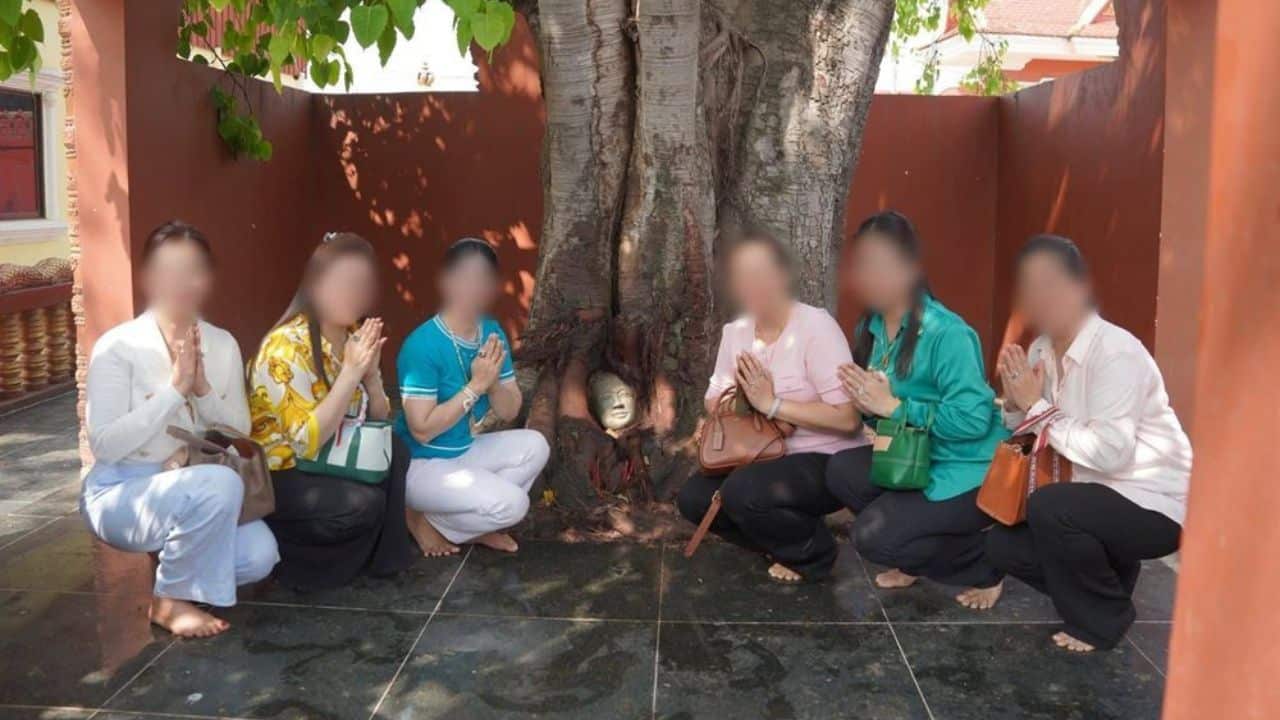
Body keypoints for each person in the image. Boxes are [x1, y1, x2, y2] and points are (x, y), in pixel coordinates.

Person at [988, 234, 1191, 652]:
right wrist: (1013, 401)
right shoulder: (1041, 347)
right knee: (999, 543)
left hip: (1153, 502)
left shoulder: (1115, 352)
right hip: (1092, 496)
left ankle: (1103, 620)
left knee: (1053, 507)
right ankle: (1110, 582)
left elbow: (1109, 453)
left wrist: (1035, 405)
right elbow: (1026, 422)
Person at [82, 221, 279, 638]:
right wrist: (174, 391)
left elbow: (240, 430)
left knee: (260, 556)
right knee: (220, 485)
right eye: (168, 270)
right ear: (149, 276)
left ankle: (178, 554)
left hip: (194, 480)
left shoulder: (221, 343)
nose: (182, 282)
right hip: (122, 490)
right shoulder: (119, 347)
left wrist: (203, 389)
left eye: (193, 270)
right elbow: (105, 444)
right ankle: (170, 598)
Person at [824, 211, 1008, 608]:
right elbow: (884, 413)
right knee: (840, 471)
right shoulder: (869, 328)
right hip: (914, 458)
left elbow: (974, 420)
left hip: (967, 469)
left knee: (871, 537)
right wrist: (867, 403)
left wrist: (894, 405)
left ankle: (985, 562)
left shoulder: (948, 333)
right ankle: (913, 549)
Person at [676, 231, 864, 583]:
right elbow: (714, 394)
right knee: (694, 499)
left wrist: (773, 403)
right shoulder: (736, 332)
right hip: (757, 455)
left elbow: (849, 418)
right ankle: (782, 541)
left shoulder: (814, 328)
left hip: (825, 459)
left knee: (743, 492)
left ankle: (814, 553)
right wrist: (735, 403)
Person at [248, 232, 414, 591]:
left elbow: (381, 420)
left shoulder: (352, 334)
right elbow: (305, 442)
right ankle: (301, 565)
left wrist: (370, 379)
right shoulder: (285, 348)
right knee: (361, 504)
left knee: (396, 450)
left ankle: (383, 560)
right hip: (284, 471)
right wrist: (350, 373)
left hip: (330, 456)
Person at [395, 238, 550, 555]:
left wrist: (492, 384)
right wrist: (475, 387)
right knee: (514, 504)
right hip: (420, 463)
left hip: (462, 451)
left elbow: (509, 411)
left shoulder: (491, 333)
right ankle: (416, 518)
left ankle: (463, 528)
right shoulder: (422, 345)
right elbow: (421, 429)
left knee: (536, 445)